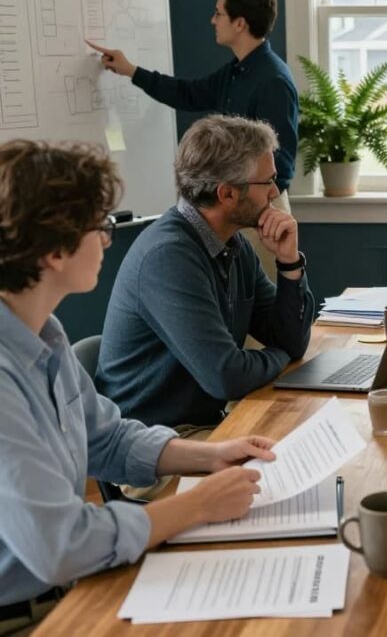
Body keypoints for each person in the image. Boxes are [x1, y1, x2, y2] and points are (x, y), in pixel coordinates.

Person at [0, 139, 273, 634]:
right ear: (55, 249)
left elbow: (105, 437)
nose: (108, 240)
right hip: (28, 616)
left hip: (63, 588)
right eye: (99, 226)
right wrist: (198, 504)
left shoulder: (44, 333)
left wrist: (210, 455)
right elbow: (61, 543)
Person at [96, 115, 315, 432]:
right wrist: (281, 356)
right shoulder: (168, 257)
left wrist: (289, 263)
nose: (274, 192)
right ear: (227, 194)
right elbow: (227, 376)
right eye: (266, 181)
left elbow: (291, 340)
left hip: (204, 427)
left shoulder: (232, 243)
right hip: (154, 446)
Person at [86, 0, 298, 277]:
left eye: (218, 13)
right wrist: (131, 70)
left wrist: (259, 210)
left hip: (259, 211)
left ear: (239, 23)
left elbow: (283, 161)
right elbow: (189, 93)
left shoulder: (272, 80)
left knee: (260, 308)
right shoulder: (237, 71)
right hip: (236, 207)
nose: (213, 20)